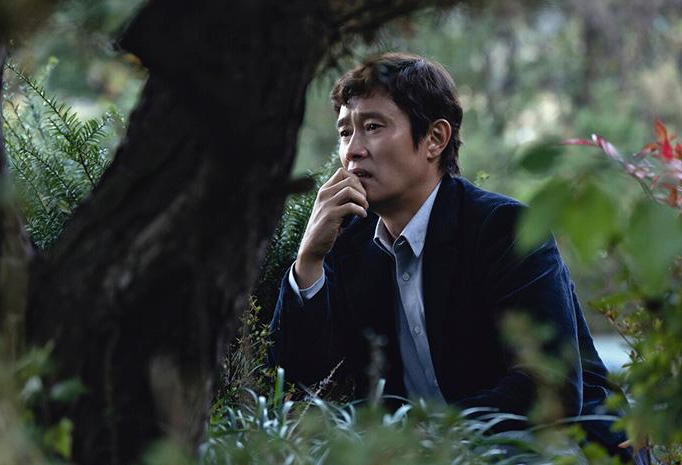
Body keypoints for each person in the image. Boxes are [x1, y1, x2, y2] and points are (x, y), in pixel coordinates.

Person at [270, 53, 636, 462]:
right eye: (344, 132)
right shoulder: (348, 244)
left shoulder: (503, 229)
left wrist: (424, 438)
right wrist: (308, 262)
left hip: (561, 446)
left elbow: (550, 388)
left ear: (435, 139)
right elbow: (304, 388)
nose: (353, 150)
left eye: (373, 127)